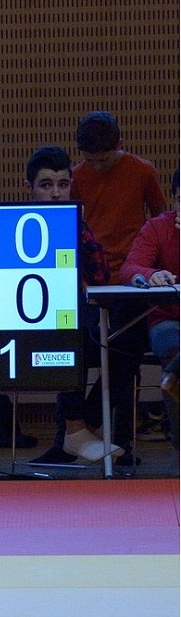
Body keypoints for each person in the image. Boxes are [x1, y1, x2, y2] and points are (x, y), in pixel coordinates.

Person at [18, 146, 126, 465]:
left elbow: (100, 276)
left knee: (128, 343)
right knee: (70, 329)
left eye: (63, 184)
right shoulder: (17, 223)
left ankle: (83, 427)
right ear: (30, 187)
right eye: (46, 185)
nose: (56, 193)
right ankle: (75, 431)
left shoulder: (74, 222)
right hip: (23, 327)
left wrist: (78, 232)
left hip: (68, 319)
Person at [119, 167, 179, 444]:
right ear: (173, 200)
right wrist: (150, 274)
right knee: (173, 345)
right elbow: (130, 267)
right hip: (168, 319)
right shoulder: (157, 227)